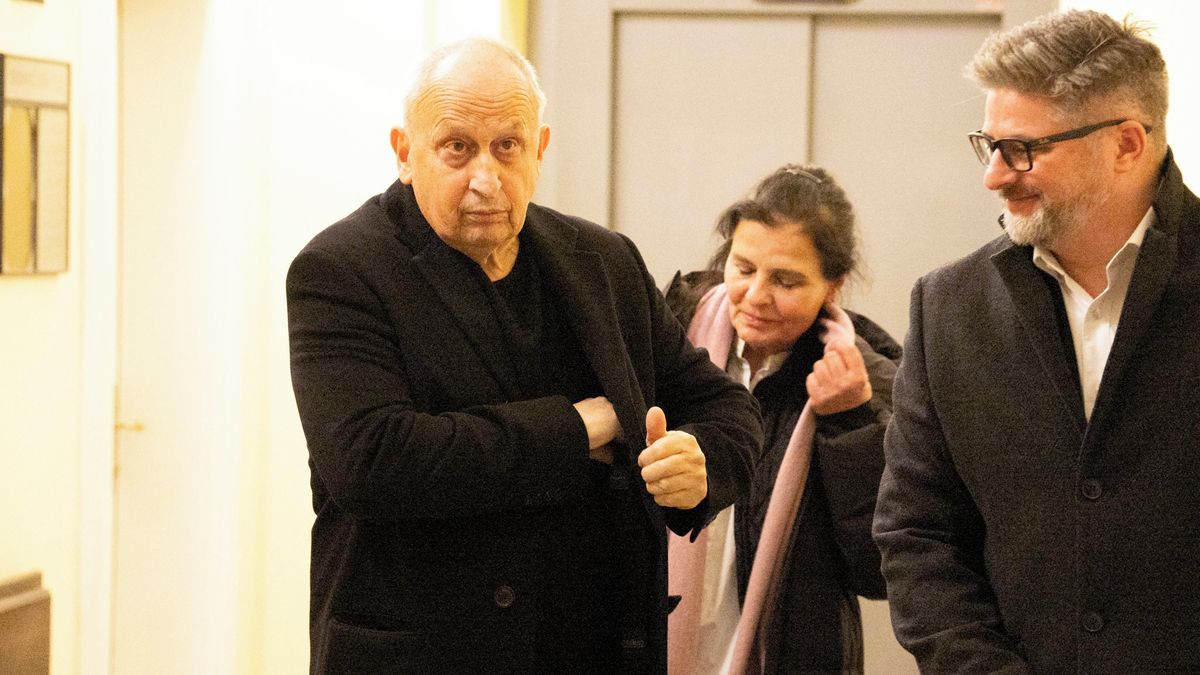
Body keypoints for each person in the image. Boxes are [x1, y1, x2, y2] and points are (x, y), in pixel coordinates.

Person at [286, 37, 762, 674]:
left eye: (507, 146)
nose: (485, 178)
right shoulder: (341, 269)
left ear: (539, 149)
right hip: (425, 652)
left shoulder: (603, 261)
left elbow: (725, 406)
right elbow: (373, 460)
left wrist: (700, 461)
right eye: (457, 147)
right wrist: (584, 425)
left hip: (593, 645)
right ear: (405, 153)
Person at [873, 9, 1200, 673]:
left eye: (1023, 149)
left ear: (1126, 145)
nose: (994, 175)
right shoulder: (949, 306)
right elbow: (918, 534)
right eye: (988, 145)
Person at [663, 165, 900, 674]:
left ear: (832, 287)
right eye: (743, 268)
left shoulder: (871, 381)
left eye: (786, 280)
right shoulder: (672, 334)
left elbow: (879, 571)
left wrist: (852, 423)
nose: (756, 295)